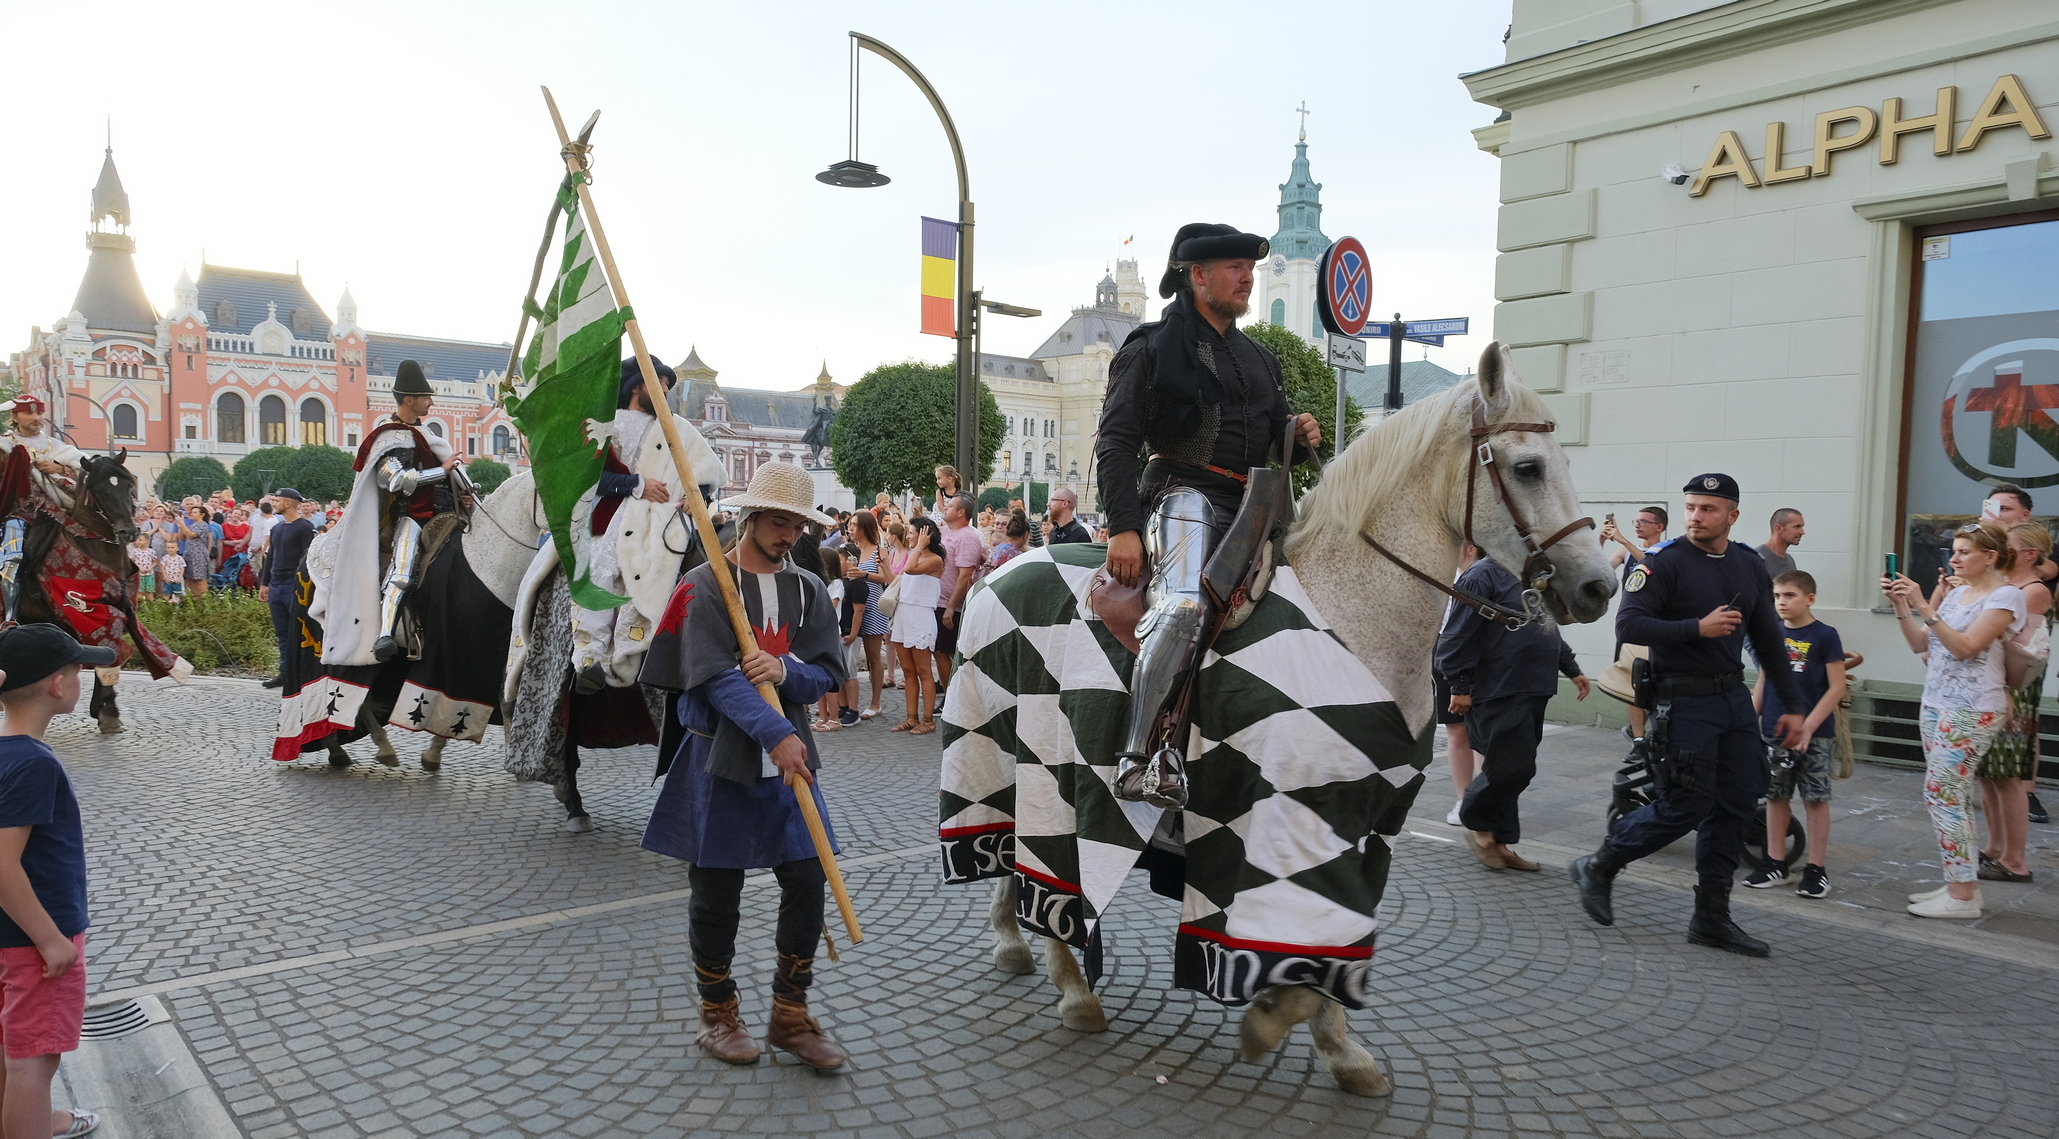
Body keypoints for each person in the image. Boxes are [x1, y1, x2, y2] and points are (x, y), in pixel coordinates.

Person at [1095, 222, 1321, 805]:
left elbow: (1270, 434)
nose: (1248, 277)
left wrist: (1293, 430)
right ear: (1197, 276)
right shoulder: (1148, 348)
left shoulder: (1260, 358)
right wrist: (1122, 527)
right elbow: (1116, 442)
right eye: (1234, 267)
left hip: (1255, 505)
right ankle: (1140, 753)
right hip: (1181, 490)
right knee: (1186, 605)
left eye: (1250, 267)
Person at [637, 462, 849, 1072]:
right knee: (716, 895)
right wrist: (776, 731)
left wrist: (786, 674)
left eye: (797, 525)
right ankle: (717, 1015)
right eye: (778, 521)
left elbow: (829, 674)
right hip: (719, 760)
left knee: (809, 881)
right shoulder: (705, 585)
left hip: (789, 765)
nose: (788, 535)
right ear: (750, 517)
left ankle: (789, 1015)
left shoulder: (808, 589)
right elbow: (709, 679)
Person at [1570, 474, 1806, 957]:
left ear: (1732, 515)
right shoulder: (1662, 563)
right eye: (1691, 507)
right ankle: (1601, 863)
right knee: (1687, 804)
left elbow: (1766, 638)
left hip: (1732, 701)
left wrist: (1794, 705)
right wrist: (1696, 628)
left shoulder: (1747, 565)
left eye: (1708, 509)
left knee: (1739, 802)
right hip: (1683, 701)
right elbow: (1630, 622)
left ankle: (1711, 917)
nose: (1696, 516)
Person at [0, 624, 116, 1139]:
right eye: (77, 669)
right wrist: (50, 939)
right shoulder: (32, 764)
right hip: (34, 942)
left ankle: (30, 1123)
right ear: (57, 685)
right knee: (34, 1062)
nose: (80, 676)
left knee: (11, 1050)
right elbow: (2, 862)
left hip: (9, 938)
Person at [1883, 521, 2026, 918]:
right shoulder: (1958, 592)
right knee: (1950, 797)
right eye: (1954, 550)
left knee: (1941, 795)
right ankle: (1959, 886)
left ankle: (1962, 895)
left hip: (1974, 707)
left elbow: (1965, 648)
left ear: (1991, 557)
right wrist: (1901, 605)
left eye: (1964, 551)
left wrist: (1925, 605)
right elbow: (1921, 645)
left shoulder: (2006, 596)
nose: (1955, 558)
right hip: (1936, 703)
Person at [1436, 548, 1589, 872]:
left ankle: (1501, 844)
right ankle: (1476, 825)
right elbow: (1454, 638)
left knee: (1515, 770)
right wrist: (1459, 687)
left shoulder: (1535, 576)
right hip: (1497, 688)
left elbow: (1548, 626)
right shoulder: (1480, 576)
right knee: (1510, 769)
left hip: (1534, 686)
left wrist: (1571, 668)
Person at [313, 360, 473, 667]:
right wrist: (440, 471)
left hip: (447, 513)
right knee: (403, 570)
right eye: (426, 397)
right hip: (411, 515)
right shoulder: (390, 437)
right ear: (409, 399)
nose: (431, 402)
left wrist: (460, 491)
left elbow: (447, 477)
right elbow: (396, 481)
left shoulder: (427, 433)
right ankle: (384, 635)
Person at [1743, 571, 1845, 898]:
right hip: (1776, 731)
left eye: (1789, 596)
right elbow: (1761, 683)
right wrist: (1747, 722)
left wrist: (1809, 727)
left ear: (1809, 599)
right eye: (1777, 597)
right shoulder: (1770, 634)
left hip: (1815, 734)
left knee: (1815, 798)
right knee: (1775, 796)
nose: (1781, 603)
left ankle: (1816, 869)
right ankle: (1775, 863)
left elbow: (1837, 688)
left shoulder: (1826, 635)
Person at [1973, 522, 2053, 883]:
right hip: (1993, 684)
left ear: (2029, 554)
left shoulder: (2032, 590)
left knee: (2007, 776)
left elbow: (2014, 645)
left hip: (2013, 688)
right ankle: (1995, 847)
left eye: (2007, 546)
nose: (2000, 551)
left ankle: (2015, 858)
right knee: (1988, 774)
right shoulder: (2007, 586)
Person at [1433, 543, 1484, 827]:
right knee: (1457, 732)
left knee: (1482, 733)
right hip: (1447, 657)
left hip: (1482, 658)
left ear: (1468, 548)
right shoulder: (1441, 575)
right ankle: (1464, 799)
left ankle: (1480, 799)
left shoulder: (1483, 577)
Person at [884, 518, 944, 735]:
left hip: (920, 617)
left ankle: (928, 720)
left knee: (923, 671)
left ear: (925, 535)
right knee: (908, 671)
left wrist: (918, 547)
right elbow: (896, 579)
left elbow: (910, 570)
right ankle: (911, 717)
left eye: (912, 533)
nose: (908, 537)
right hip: (903, 615)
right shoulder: (913, 555)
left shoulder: (935, 560)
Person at [258, 491, 317, 690]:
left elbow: (308, 559)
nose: (274, 503)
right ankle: (285, 672)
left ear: (289, 503)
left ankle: (299, 674)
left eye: (278, 500)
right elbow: (271, 557)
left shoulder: (305, 528)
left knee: (298, 632)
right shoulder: (277, 528)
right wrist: (265, 584)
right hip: (276, 583)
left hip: (294, 583)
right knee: (282, 633)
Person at [936, 496, 984, 706]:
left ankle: (953, 698)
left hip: (950, 605)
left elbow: (964, 575)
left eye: (950, 506)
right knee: (938, 652)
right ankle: (950, 694)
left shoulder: (967, 537)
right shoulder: (945, 531)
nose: (945, 508)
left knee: (945, 651)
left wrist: (950, 607)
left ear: (961, 513)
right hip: (936, 601)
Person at [841, 513, 888, 720]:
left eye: (854, 525)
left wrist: (865, 574)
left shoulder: (879, 551)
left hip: (872, 607)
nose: (850, 528)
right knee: (847, 657)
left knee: (873, 656)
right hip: (851, 607)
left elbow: (886, 578)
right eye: (849, 524)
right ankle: (846, 703)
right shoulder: (848, 550)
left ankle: (875, 702)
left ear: (865, 528)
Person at [1755, 509, 1803, 578]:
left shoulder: (1789, 560)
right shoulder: (1756, 559)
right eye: (1797, 526)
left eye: (1801, 527)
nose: (1802, 532)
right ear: (1778, 528)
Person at [179, 504, 213, 598]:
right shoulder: (191, 525)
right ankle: (193, 597)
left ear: (202, 514)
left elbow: (191, 535)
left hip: (199, 554)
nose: (192, 514)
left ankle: (203, 598)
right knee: (190, 578)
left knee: (200, 578)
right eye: (192, 512)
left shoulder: (203, 524)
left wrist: (183, 524)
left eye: (195, 512)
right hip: (189, 553)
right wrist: (180, 526)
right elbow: (181, 538)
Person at [125, 536, 155, 600]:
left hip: (149, 575)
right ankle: (139, 606)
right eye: (137, 540)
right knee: (139, 591)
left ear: (146, 541)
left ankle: (151, 607)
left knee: (149, 591)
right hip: (139, 575)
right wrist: (138, 568)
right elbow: (131, 561)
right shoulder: (134, 551)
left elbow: (155, 562)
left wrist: (150, 568)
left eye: (140, 540)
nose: (138, 541)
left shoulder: (151, 551)